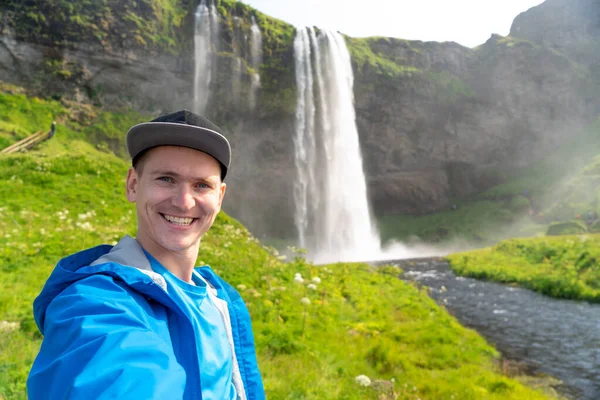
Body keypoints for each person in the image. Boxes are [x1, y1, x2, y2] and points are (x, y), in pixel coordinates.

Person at [27, 110, 265, 399]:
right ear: (133, 185)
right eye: (166, 179)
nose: (183, 201)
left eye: (202, 185)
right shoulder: (95, 303)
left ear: (220, 196)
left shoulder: (220, 302)